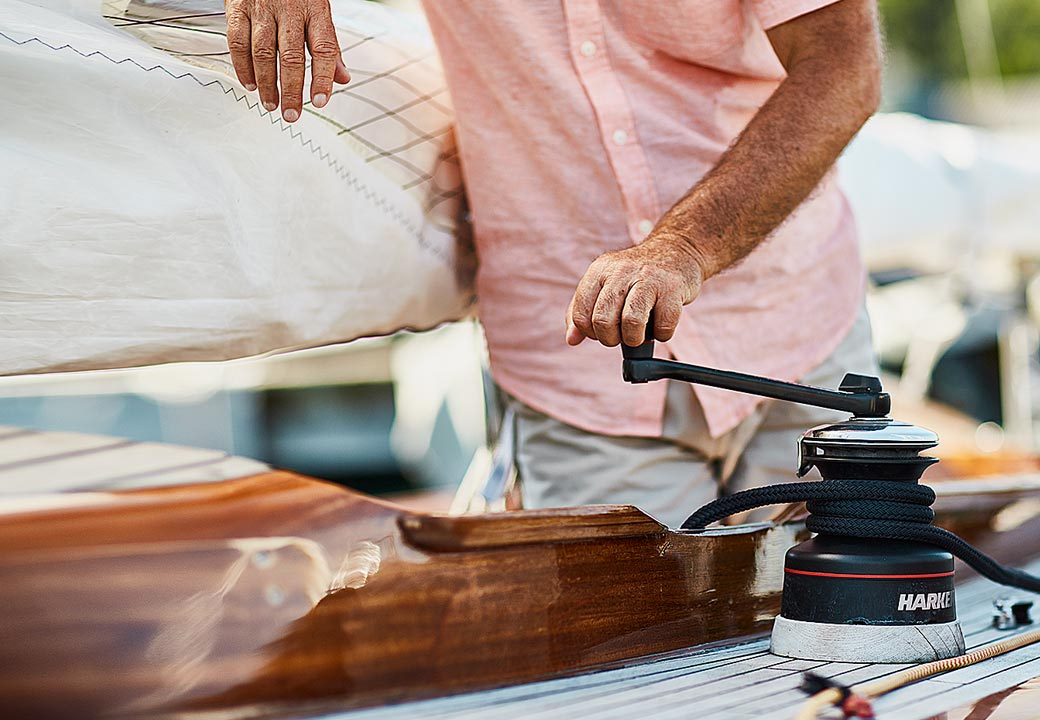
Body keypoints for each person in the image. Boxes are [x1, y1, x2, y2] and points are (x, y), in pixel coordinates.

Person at [223, 0, 883, 527]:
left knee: (840, 643)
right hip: (574, 383)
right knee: (626, 673)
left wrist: (683, 248)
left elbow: (844, 67)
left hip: (800, 339)